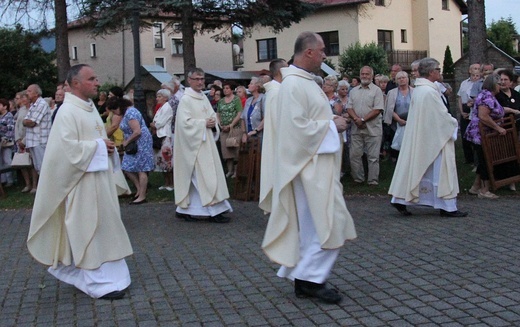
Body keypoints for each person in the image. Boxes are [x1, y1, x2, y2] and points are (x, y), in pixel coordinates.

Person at [261, 32, 356, 304]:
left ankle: (306, 278)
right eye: (322, 50)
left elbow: (307, 120)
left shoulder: (304, 82)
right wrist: (331, 126)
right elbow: (295, 130)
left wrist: (329, 120)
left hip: (316, 165)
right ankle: (309, 279)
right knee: (328, 222)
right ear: (309, 52)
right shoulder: (293, 85)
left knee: (317, 225)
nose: (325, 55)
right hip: (307, 168)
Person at [26, 64, 133, 300]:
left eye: (96, 78)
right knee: (88, 230)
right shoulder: (67, 112)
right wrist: (97, 147)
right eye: (91, 79)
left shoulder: (89, 108)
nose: (97, 82)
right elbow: (64, 152)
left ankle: (115, 278)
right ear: (75, 83)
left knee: (106, 228)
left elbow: (98, 138)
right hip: (81, 184)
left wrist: (106, 147)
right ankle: (97, 284)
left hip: (99, 181)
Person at [388, 58, 468, 217]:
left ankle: (401, 198)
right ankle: (447, 207)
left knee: (418, 168)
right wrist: (453, 123)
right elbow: (440, 117)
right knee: (439, 171)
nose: (440, 71)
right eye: (438, 69)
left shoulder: (421, 89)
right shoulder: (428, 92)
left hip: (427, 136)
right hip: (435, 138)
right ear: (431, 72)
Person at [173, 67, 232, 223]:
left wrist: (213, 123)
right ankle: (214, 211)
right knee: (203, 179)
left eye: (202, 79)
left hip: (207, 143)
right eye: (197, 79)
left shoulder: (202, 97)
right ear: (189, 80)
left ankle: (184, 209)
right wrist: (203, 123)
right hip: (195, 146)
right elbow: (184, 124)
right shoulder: (186, 99)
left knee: (202, 178)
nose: (200, 82)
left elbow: (211, 116)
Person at [465, 73, 520, 198]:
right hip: (481, 134)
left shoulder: (490, 96)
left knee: (484, 159)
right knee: (485, 161)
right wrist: (498, 128)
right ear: (493, 85)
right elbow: (483, 116)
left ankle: (475, 187)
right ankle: (484, 191)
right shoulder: (487, 97)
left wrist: (512, 110)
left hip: (484, 133)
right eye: (498, 84)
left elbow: (497, 109)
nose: (500, 86)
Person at [106, 97, 155, 204]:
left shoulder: (131, 113)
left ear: (119, 107)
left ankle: (142, 195)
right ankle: (139, 189)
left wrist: (126, 142)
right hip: (133, 142)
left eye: (114, 110)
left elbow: (137, 131)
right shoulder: (126, 113)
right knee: (126, 167)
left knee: (142, 168)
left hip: (141, 142)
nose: (115, 113)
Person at [346, 66, 385, 185]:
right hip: (356, 128)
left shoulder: (376, 90)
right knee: (354, 155)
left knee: (373, 157)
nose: (364, 76)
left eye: (367, 74)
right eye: (362, 74)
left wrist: (363, 120)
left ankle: (372, 181)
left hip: (372, 128)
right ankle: (358, 179)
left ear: (372, 76)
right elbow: (349, 107)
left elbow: (377, 109)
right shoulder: (353, 91)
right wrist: (356, 119)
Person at [259, 58, 287, 212]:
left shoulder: (276, 90)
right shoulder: (277, 92)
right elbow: (280, 121)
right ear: (280, 71)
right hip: (279, 142)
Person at [23, 84, 52, 193]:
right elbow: (26, 120)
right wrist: (25, 122)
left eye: (29, 91)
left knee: (44, 168)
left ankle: (49, 191)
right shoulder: (33, 105)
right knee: (38, 168)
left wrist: (25, 122)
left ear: (36, 93)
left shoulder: (42, 104)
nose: (27, 93)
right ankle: (46, 191)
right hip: (33, 141)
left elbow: (31, 122)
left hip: (40, 141)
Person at [384, 71, 413, 159]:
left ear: (407, 79)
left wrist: (409, 120)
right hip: (396, 122)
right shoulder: (391, 93)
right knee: (397, 146)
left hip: (411, 122)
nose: (401, 80)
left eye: (403, 77)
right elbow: (389, 109)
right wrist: (399, 120)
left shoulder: (414, 91)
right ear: (396, 80)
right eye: (399, 78)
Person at [217, 82, 243, 178]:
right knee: (226, 151)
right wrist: (220, 124)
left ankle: (236, 171)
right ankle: (229, 171)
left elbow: (239, 113)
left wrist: (231, 125)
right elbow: (218, 113)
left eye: (227, 88)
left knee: (235, 150)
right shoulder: (221, 101)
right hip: (224, 130)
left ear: (232, 90)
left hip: (234, 129)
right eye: (224, 88)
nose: (225, 90)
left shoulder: (236, 100)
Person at [457, 63, 481, 165]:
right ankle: (468, 159)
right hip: (465, 108)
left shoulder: (480, 84)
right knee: (464, 136)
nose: (475, 76)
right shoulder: (464, 83)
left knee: (474, 135)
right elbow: (460, 98)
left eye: (478, 70)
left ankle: (476, 160)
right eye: (474, 70)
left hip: (474, 109)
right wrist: (462, 112)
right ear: (470, 71)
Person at [151, 89, 173, 191]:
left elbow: (159, 123)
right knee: (161, 161)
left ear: (165, 97)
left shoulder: (167, 108)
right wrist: (154, 124)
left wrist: (154, 124)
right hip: (159, 135)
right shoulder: (161, 108)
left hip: (165, 135)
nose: (157, 98)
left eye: (159, 97)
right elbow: (155, 121)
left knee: (167, 160)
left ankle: (171, 183)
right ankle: (166, 183)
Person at [13, 91, 35, 192]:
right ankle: (27, 184)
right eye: (22, 98)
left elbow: (32, 126)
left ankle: (34, 185)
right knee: (22, 163)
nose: (23, 100)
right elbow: (17, 125)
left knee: (31, 163)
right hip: (20, 139)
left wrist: (24, 141)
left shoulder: (33, 109)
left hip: (29, 138)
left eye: (25, 98)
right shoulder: (21, 110)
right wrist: (18, 139)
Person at [241, 77, 265, 143]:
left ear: (257, 87)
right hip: (249, 137)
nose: (248, 85)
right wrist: (244, 133)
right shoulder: (248, 100)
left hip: (260, 136)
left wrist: (256, 130)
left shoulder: (263, 98)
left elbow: (266, 117)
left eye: (251, 84)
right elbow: (242, 118)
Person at [0, 98, 15, 186]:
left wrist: (5, 138)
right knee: (1, 161)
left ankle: (10, 180)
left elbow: (10, 129)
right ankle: (3, 180)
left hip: (6, 142)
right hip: (0, 142)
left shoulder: (9, 116)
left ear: (5, 106)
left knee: (7, 160)